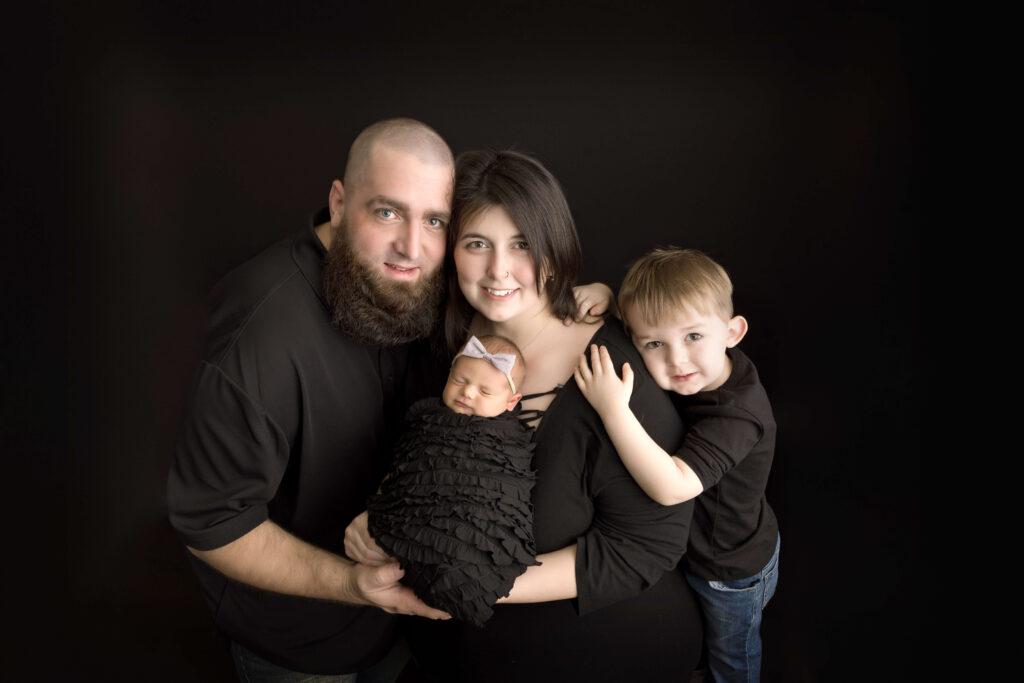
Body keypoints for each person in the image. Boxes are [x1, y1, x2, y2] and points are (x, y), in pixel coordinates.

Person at [347, 150, 704, 682]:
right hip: (454, 657)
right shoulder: (438, 353)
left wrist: (480, 577)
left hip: (601, 659)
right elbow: (419, 465)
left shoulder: (614, 370)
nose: (498, 270)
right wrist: (381, 523)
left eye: (522, 245)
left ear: (555, 252)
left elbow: (644, 548)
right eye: (476, 244)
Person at [167, 118, 456, 681]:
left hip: (400, 628)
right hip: (297, 645)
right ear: (339, 201)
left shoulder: (418, 280)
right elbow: (211, 523)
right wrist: (352, 584)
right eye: (387, 211)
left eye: (435, 220)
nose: (411, 247)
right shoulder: (261, 333)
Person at [574, 247, 780, 683]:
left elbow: (673, 486)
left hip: (731, 569)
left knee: (732, 656)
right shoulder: (700, 371)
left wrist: (614, 411)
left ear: (732, 332)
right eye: (654, 344)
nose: (677, 360)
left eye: (693, 337)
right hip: (694, 548)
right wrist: (605, 295)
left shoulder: (737, 413)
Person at [366, 334, 537, 627]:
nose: (467, 393)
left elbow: (511, 488)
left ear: (511, 402)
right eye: (459, 381)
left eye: (484, 392)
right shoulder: (427, 417)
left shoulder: (510, 440)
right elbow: (406, 464)